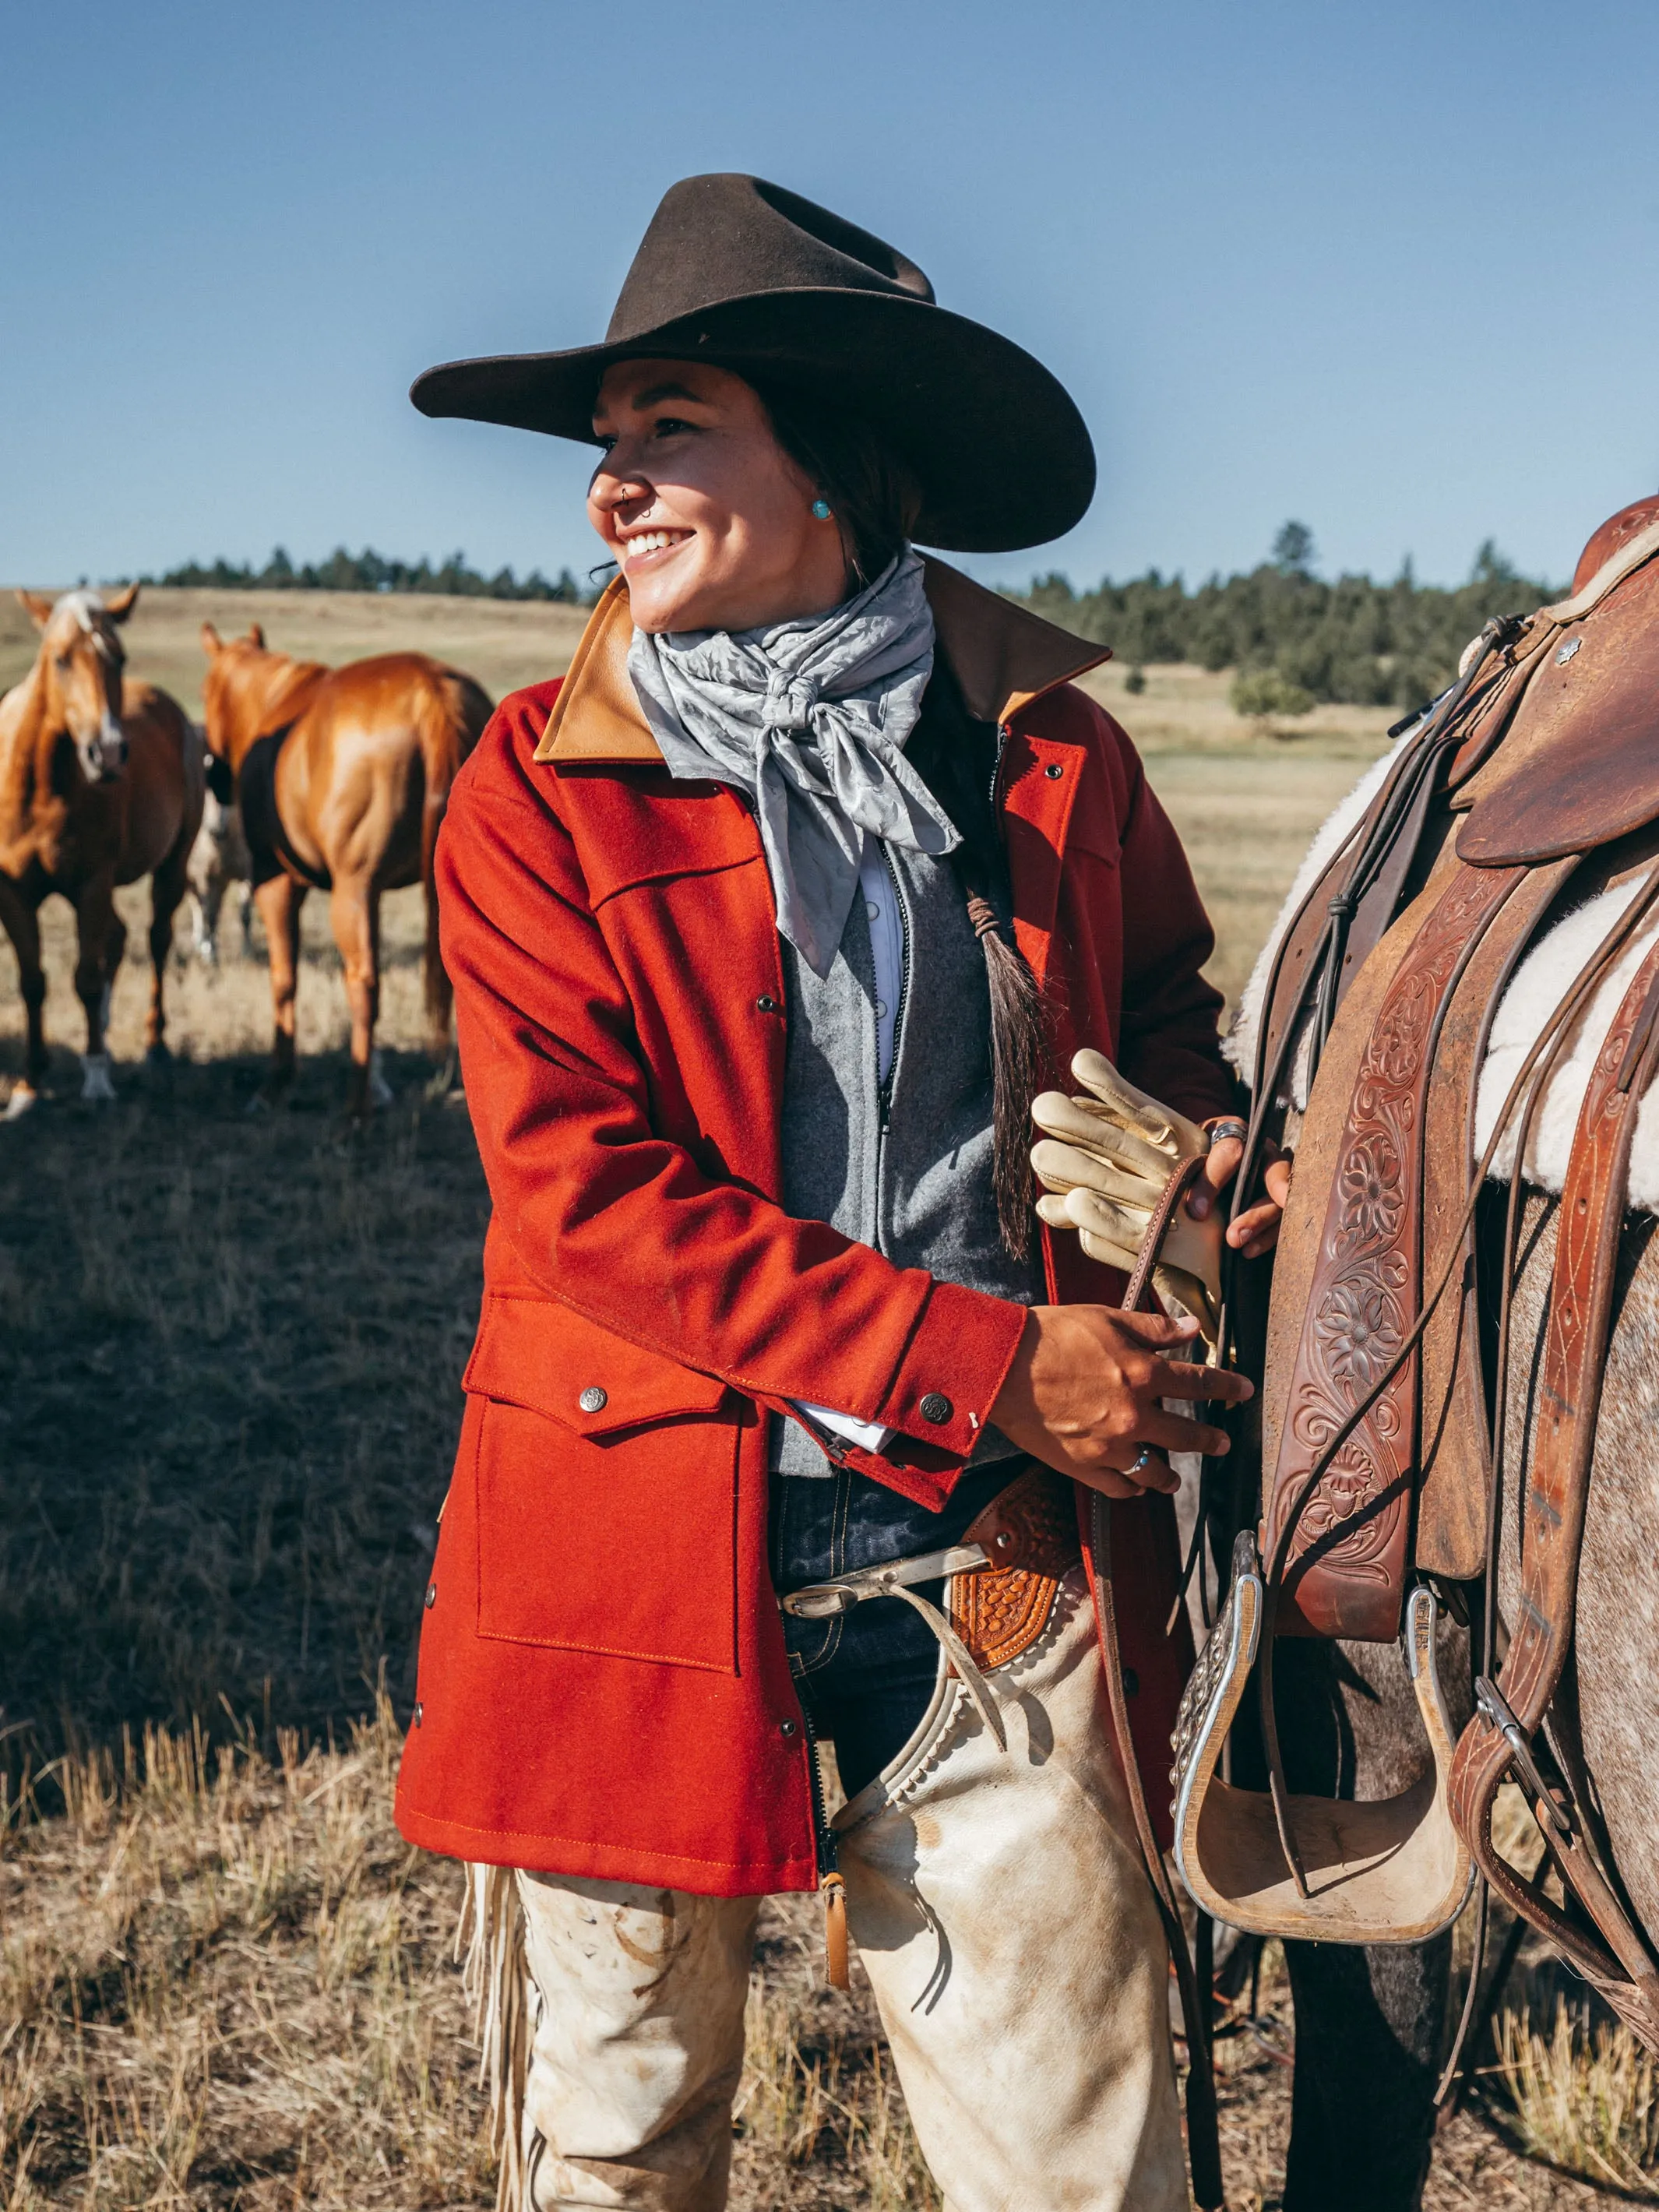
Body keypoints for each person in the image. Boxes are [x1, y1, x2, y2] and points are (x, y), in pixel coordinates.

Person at [396, 174, 1284, 2212]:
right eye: (607, 448)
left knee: (1086, 2170)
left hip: (991, 1573)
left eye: (671, 427)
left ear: (828, 457)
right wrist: (995, 1366)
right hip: (637, 1557)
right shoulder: (530, 791)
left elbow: (1160, 1005)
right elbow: (587, 1205)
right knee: (617, 2156)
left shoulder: (1051, 757)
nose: (614, 488)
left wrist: (1191, 1152)